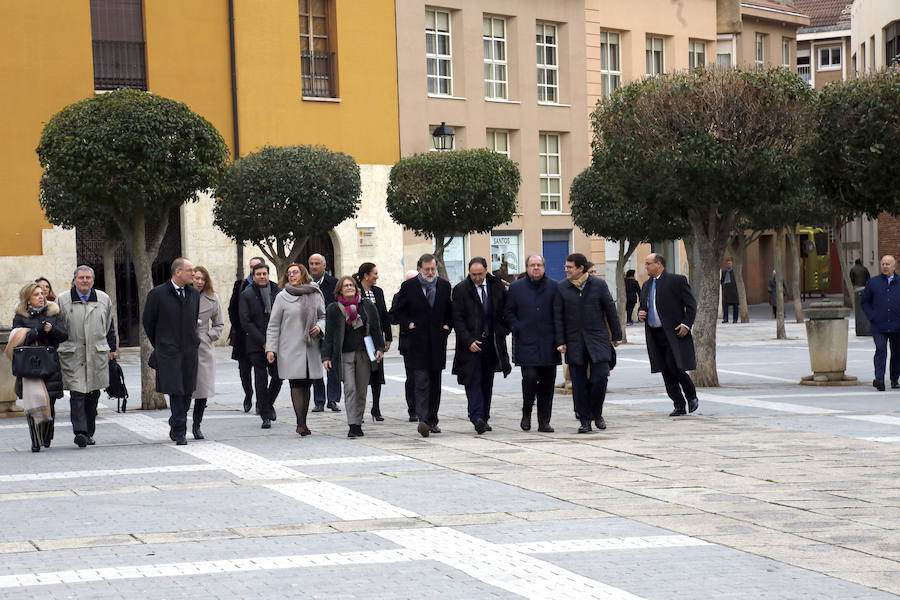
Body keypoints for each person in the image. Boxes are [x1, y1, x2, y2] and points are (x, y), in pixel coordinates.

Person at [554, 253, 623, 433]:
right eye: (566, 267)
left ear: (580, 268)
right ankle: (585, 420)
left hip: (598, 339)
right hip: (574, 341)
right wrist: (560, 341)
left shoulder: (598, 284)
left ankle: (597, 413)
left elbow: (610, 310)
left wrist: (616, 335)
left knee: (600, 377)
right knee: (578, 383)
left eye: (569, 267)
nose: (566, 270)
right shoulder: (562, 287)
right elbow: (558, 317)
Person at [389, 253, 452, 438]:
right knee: (421, 381)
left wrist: (447, 326)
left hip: (437, 342)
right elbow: (395, 312)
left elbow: (450, 310)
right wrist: (408, 323)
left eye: (433, 269)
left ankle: (433, 420)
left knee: (435, 382)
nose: (431, 272)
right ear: (419, 269)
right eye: (427, 269)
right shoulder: (409, 287)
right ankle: (423, 420)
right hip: (417, 343)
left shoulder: (444, 285)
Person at [56, 265, 117, 448]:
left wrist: (111, 348)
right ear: (74, 280)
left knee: (93, 393)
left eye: (87, 278)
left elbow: (109, 325)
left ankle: (89, 432)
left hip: (96, 353)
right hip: (73, 353)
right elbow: (58, 327)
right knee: (77, 393)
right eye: (81, 278)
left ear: (93, 280)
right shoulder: (63, 300)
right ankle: (80, 432)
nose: (84, 281)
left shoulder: (103, 299)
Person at [142, 258, 201, 445]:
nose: (194, 274)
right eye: (190, 270)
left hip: (189, 351)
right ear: (178, 272)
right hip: (169, 351)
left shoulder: (193, 293)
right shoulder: (158, 294)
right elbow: (148, 322)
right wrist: (161, 343)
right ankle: (180, 430)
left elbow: (193, 320)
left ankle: (176, 421)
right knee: (176, 391)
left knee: (187, 391)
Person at [452, 257, 511, 434]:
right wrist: (468, 340)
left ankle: (484, 417)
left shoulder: (497, 287)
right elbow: (457, 318)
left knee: (487, 381)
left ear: (486, 271)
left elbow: (505, 312)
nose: (477, 278)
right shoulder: (461, 290)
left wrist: (503, 331)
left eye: (479, 274)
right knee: (473, 380)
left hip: (491, 343)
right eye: (473, 275)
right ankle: (476, 416)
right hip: (470, 344)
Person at [322, 276, 385, 438]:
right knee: (350, 388)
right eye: (345, 286)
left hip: (364, 353)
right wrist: (326, 356)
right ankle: (352, 424)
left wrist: (380, 347)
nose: (349, 287)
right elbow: (329, 334)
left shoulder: (367, 306)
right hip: (344, 354)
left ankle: (359, 421)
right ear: (340, 290)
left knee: (362, 390)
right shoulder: (334, 309)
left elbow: (376, 328)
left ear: (356, 288)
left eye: (351, 285)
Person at [504, 254, 561, 433]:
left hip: (549, 342)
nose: (536, 268)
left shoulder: (554, 287)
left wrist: (560, 339)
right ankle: (526, 413)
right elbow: (508, 312)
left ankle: (544, 421)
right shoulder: (516, 287)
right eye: (532, 265)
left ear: (544, 267)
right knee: (529, 379)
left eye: (539, 265)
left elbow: (559, 314)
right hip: (526, 341)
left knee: (547, 384)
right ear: (527, 268)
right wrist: (517, 327)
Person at [267, 264, 325, 436]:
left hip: (311, 347)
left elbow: (323, 316)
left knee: (307, 385)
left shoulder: (315, 293)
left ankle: (303, 421)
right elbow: (273, 324)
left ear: (302, 274)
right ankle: (300, 423)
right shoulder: (282, 297)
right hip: (290, 348)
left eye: (295, 272)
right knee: (296, 384)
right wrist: (271, 349)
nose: (292, 275)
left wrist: (320, 327)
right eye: (289, 273)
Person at [638, 253, 699, 416]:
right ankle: (678, 404)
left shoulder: (677, 281)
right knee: (664, 369)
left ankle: (691, 395)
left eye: (648, 263)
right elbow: (644, 305)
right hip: (655, 334)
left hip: (674, 333)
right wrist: (641, 312)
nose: (646, 267)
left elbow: (691, 306)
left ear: (658, 264)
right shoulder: (646, 285)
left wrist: (686, 324)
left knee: (675, 365)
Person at [10, 282, 67, 452]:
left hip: (49, 364)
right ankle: (35, 441)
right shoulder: (20, 316)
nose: (41, 297)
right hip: (29, 365)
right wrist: (35, 332)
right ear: (28, 299)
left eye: (42, 293)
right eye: (36, 294)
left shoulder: (53, 313)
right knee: (32, 402)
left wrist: (51, 329)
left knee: (50, 400)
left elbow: (64, 336)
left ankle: (46, 435)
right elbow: (16, 339)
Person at [239, 262, 283, 429]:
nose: (262, 277)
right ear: (254, 276)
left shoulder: (277, 291)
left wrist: (273, 342)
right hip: (256, 344)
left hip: (277, 342)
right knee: (261, 379)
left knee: (279, 375)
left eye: (264, 273)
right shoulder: (247, 294)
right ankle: (265, 415)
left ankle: (267, 403)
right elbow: (246, 322)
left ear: (268, 274)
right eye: (259, 274)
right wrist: (264, 342)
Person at [354, 262, 393, 421]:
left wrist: (388, 337)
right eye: (375, 273)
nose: (377, 276)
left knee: (376, 373)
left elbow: (384, 315)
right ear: (366, 275)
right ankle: (358, 410)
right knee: (360, 376)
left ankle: (376, 408)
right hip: (360, 338)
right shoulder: (355, 290)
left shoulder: (378, 292)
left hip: (375, 338)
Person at [190, 266, 224, 440]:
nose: (199, 282)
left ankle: (197, 425)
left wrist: (209, 336)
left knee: (201, 390)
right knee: (183, 390)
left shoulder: (213, 298)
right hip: (184, 345)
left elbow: (219, 324)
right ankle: (178, 422)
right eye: (196, 278)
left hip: (203, 347)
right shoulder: (183, 295)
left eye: (202, 279)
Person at [228, 256, 265, 413]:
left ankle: (261, 400)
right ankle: (248, 394)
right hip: (242, 336)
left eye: (256, 266)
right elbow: (232, 309)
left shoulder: (268, 286)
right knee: (244, 369)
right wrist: (240, 326)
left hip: (260, 336)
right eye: (251, 266)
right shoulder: (240, 285)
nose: (253, 269)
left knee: (260, 370)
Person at [860, 255, 899, 392]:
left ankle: (894, 379)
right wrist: (872, 315)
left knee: (897, 353)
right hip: (879, 325)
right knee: (881, 350)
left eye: (888, 264)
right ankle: (879, 379)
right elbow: (864, 302)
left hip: (897, 325)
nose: (885, 266)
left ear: (894, 266)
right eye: (883, 264)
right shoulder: (873, 282)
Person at [308, 253, 341, 412]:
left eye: (317, 263)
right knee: (315, 365)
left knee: (332, 365)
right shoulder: (305, 284)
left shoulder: (334, 284)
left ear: (324, 266)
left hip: (331, 331)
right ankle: (319, 400)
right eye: (311, 263)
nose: (313, 266)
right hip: (312, 331)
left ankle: (333, 399)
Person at [391, 270, 420, 422]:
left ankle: (424, 408)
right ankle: (413, 409)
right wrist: (407, 323)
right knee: (412, 377)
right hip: (408, 342)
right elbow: (393, 317)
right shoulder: (399, 296)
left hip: (425, 341)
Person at [720, 258, 739, 324]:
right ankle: (725, 319)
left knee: (735, 306)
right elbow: (721, 281)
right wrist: (723, 287)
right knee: (725, 306)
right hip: (726, 292)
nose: (729, 264)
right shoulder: (724, 272)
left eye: (730, 263)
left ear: (732, 264)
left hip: (734, 291)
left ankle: (735, 319)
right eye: (728, 263)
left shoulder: (735, 272)